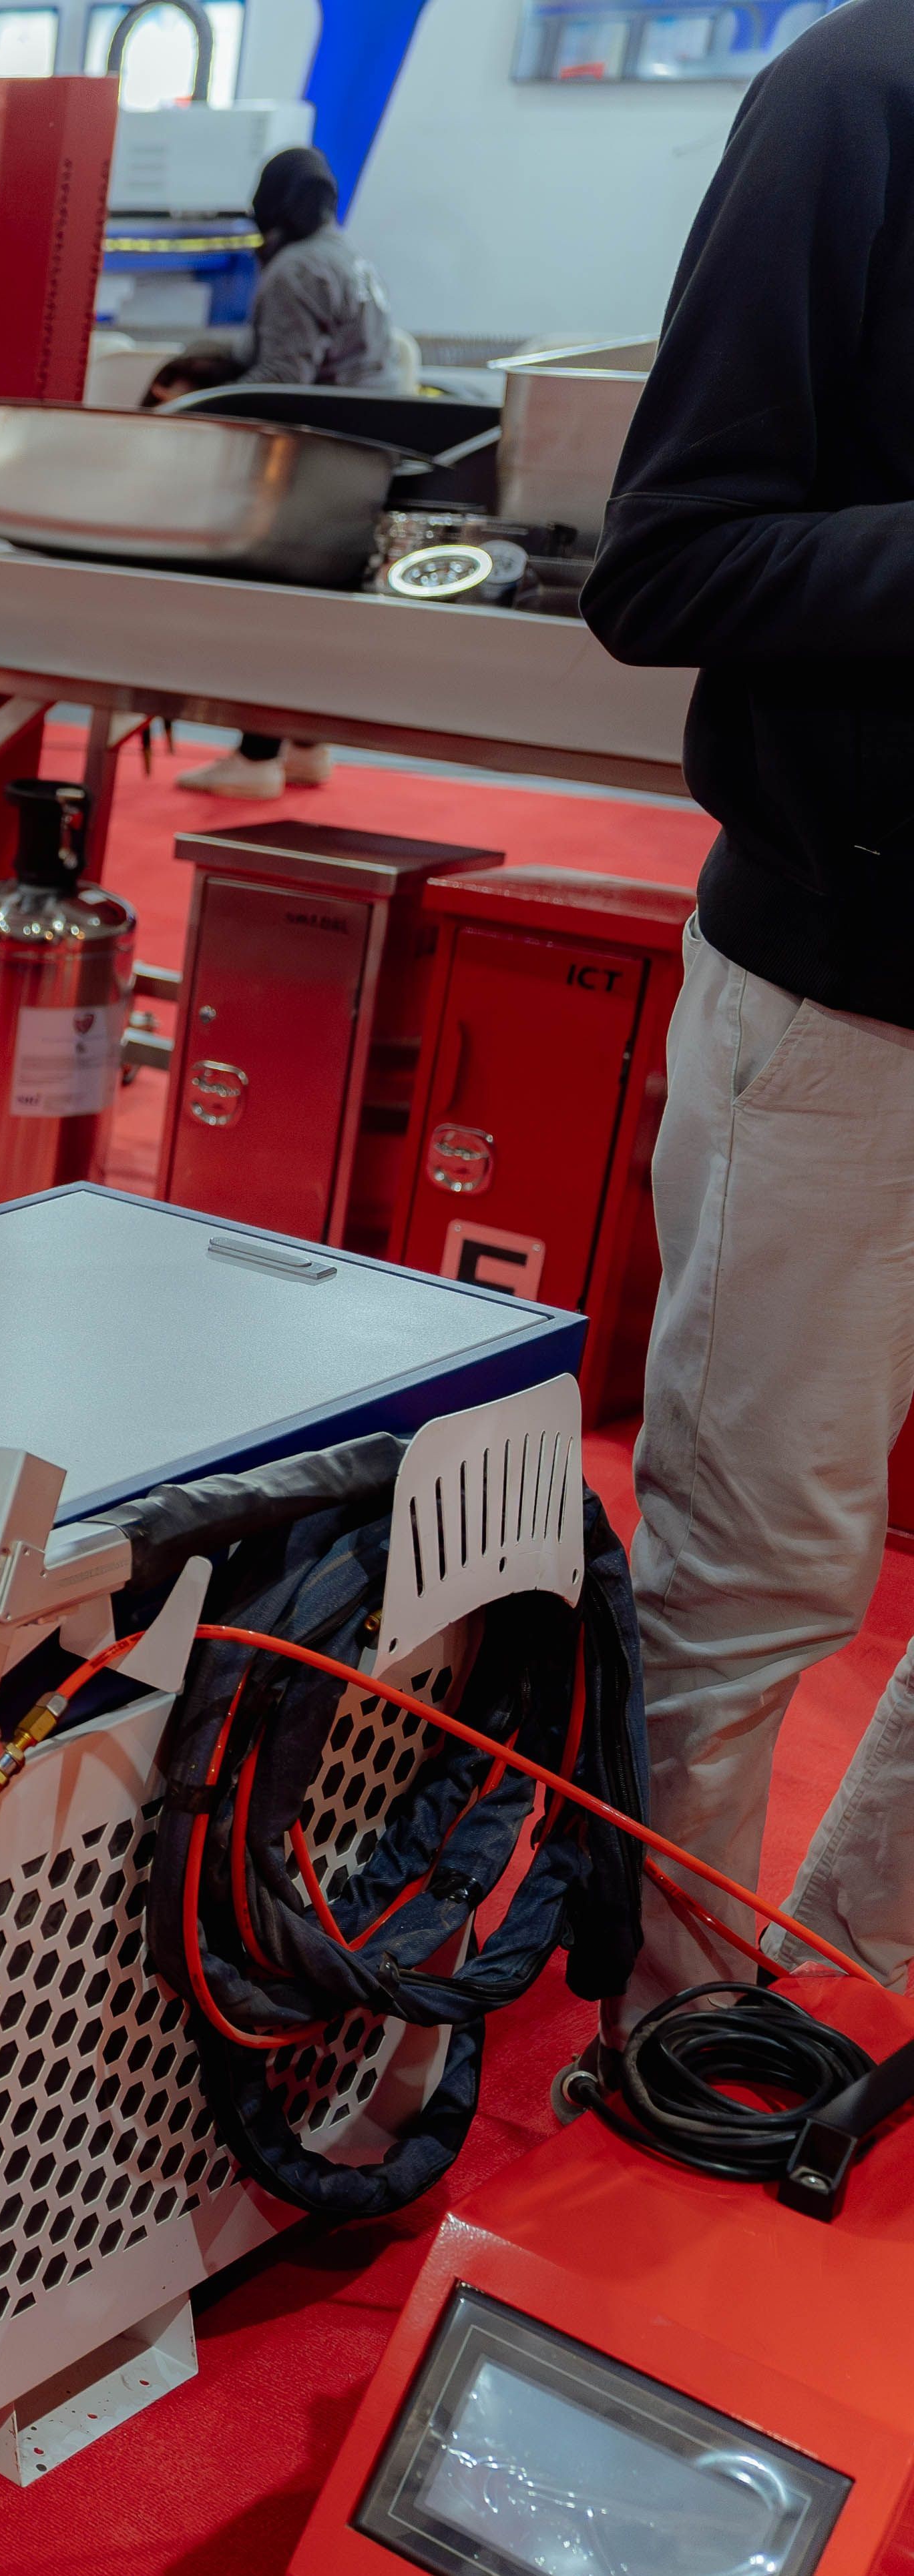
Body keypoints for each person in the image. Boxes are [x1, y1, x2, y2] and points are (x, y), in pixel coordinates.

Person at [577, 0, 914, 2025]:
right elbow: (666, 560)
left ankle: (859, 1985)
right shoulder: (852, 101)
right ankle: (663, 2011)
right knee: (751, 1560)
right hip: (845, 1002)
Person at [178, 146, 405, 799]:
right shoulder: (347, 256)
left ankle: (255, 757)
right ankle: (305, 742)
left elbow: (284, 382)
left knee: (268, 611)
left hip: (318, 466)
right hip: (367, 461)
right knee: (316, 615)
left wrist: (208, 401)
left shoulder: (297, 269)